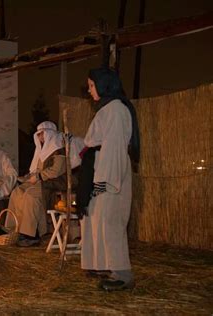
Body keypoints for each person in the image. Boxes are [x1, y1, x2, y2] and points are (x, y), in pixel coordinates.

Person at [78, 67, 140, 291]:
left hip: (110, 173)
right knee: (98, 220)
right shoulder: (108, 109)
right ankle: (102, 265)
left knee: (111, 222)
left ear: (104, 84)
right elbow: (94, 141)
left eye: (92, 85)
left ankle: (122, 274)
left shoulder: (115, 110)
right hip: (102, 171)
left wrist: (105, 181)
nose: (89, 90)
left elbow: (113, 147)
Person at [7, 121, 83, 247]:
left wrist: (38, 176)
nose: (39, 138)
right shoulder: (43, 150)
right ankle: (12, 228)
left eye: (41, 134)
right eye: (38, 135)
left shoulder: (59, 149)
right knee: (17, 192)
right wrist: (28, 177)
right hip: (41, 179)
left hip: (54, 182)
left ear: (49, 134)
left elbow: (56, 171)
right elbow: (37, 169)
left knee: (30, 195)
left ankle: (30, 234)